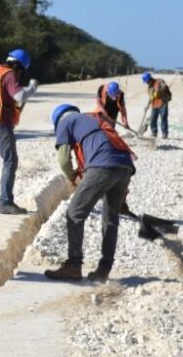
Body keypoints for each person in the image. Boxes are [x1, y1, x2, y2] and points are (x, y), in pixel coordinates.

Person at [44, 104, 136, 283]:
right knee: (111, 218)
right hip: (125, 167)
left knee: (74, 214)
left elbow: (63, 160)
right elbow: (108, 151)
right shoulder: (94, 119)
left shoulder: (66, 122)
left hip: (103, 166)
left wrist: (72, 177)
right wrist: (121, 199)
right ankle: (104, 269)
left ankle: (73, 265)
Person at [0, 48, 38, 214]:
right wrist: (32, 88)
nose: (19, 74)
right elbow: (19, 96)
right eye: (21, 70)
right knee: (10, 161)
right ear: (17, 65)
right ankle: (5, 202)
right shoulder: (8, 74)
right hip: (0, 124)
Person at [143, 72, 172, 138]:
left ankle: (164, 133)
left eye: (147, 81)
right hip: (154, 104)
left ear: (150, 79)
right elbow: (150, 97)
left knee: (163, 118)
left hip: (163, 103)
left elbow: (164, 87)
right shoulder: (149, 87)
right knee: (153, 119)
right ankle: (154, 132)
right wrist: (147, 105)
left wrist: (158, 91)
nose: (147, 83)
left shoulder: (159, 81)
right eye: (146, 82)